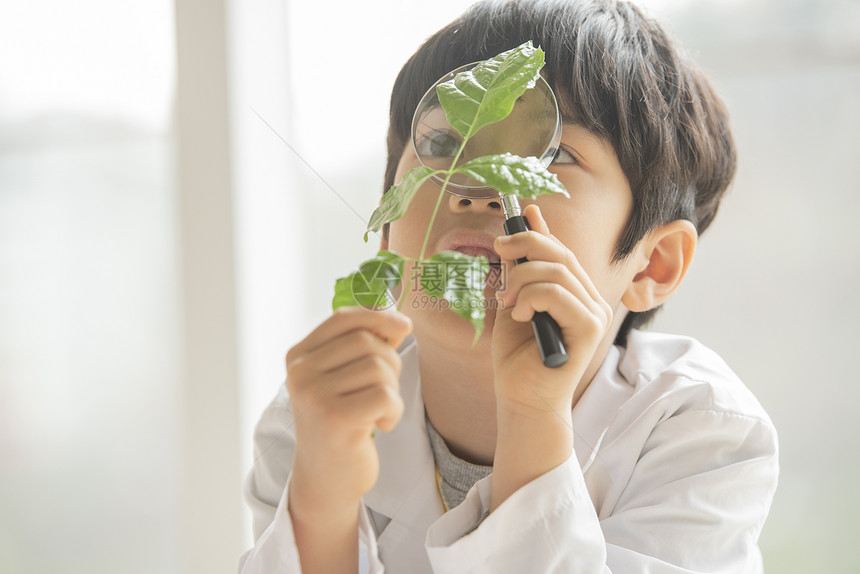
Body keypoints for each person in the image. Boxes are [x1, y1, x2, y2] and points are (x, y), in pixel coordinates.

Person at [239, 0, 779, 572]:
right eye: (443, 146)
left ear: (652, 266)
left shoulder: (699, 436)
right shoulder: (320, 412)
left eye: (551, 154)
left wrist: (533, 417)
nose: (476, 187)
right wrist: (320, 504)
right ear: (387, 228)